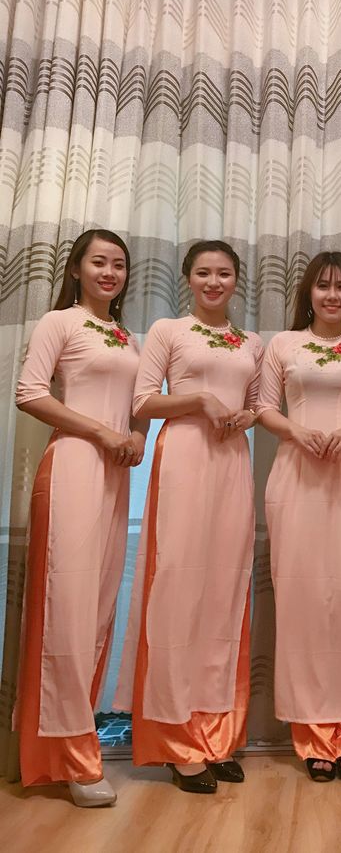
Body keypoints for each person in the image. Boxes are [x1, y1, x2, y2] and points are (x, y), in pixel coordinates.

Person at [115, 240, 263, 794]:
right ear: (188, 278)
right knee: (178, 591)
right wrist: (199, 400)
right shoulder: (168, 331)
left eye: (224, 273)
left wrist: (246, 415)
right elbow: (141, 402)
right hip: (183, 458)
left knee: (224, 591)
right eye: (203, 272)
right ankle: (176, 742)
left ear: (236, 280)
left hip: (232, 463)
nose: (213, 282)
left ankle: (215, 735)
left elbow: (254, 404)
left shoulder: (250, 342)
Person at [15, 229, 146, 807]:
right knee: (66, 611)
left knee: (96, 612)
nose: (109, 272)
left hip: (116, 475)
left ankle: (76, 742)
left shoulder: (126, 335)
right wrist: (98, 431)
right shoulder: (59, 322)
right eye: (99, 262)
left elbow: (138, 403)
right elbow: (29, 392)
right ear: (75, 268)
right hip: (71, 467)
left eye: (119, 264)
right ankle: (71, 759)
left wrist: (136, 434)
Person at [256, 251, 341, 782]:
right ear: (308, 293)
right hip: (297, 476)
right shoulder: (283, 345)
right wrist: (296, 431)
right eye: (323, 286)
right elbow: (264, 407)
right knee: (303, 601)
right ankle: (312, 735)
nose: (332, 295)